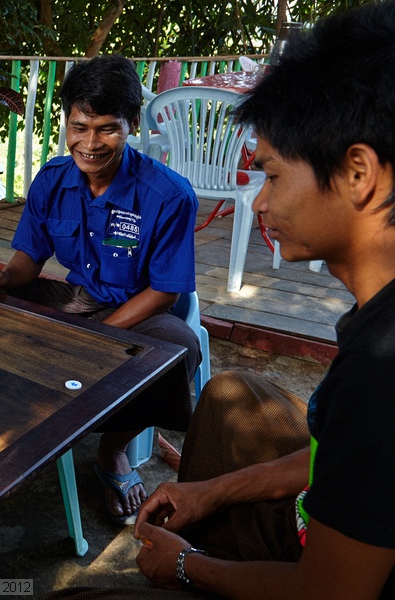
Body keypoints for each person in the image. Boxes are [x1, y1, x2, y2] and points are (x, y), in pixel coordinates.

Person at [127, 4, 395, 598]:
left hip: (323, 571)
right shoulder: (374, 328)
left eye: (271, 175)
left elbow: (329, 593)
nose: (261, 203)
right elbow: (345, 458)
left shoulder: (379, 376)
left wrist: (184, 564)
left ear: (358, 173)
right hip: (320, 514)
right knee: (230, 393)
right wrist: (208, 492)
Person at [0, 55, 201, 525]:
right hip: (74, 300)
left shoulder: (169, 196)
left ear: (132, 124)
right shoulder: (51, 180)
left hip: (138, 310)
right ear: (66, 120)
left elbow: (165, 293)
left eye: (107, 129)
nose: (90, 144)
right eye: (79, 126)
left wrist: (98, 336)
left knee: (180, 347)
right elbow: (28, 263)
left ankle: (113, 450)